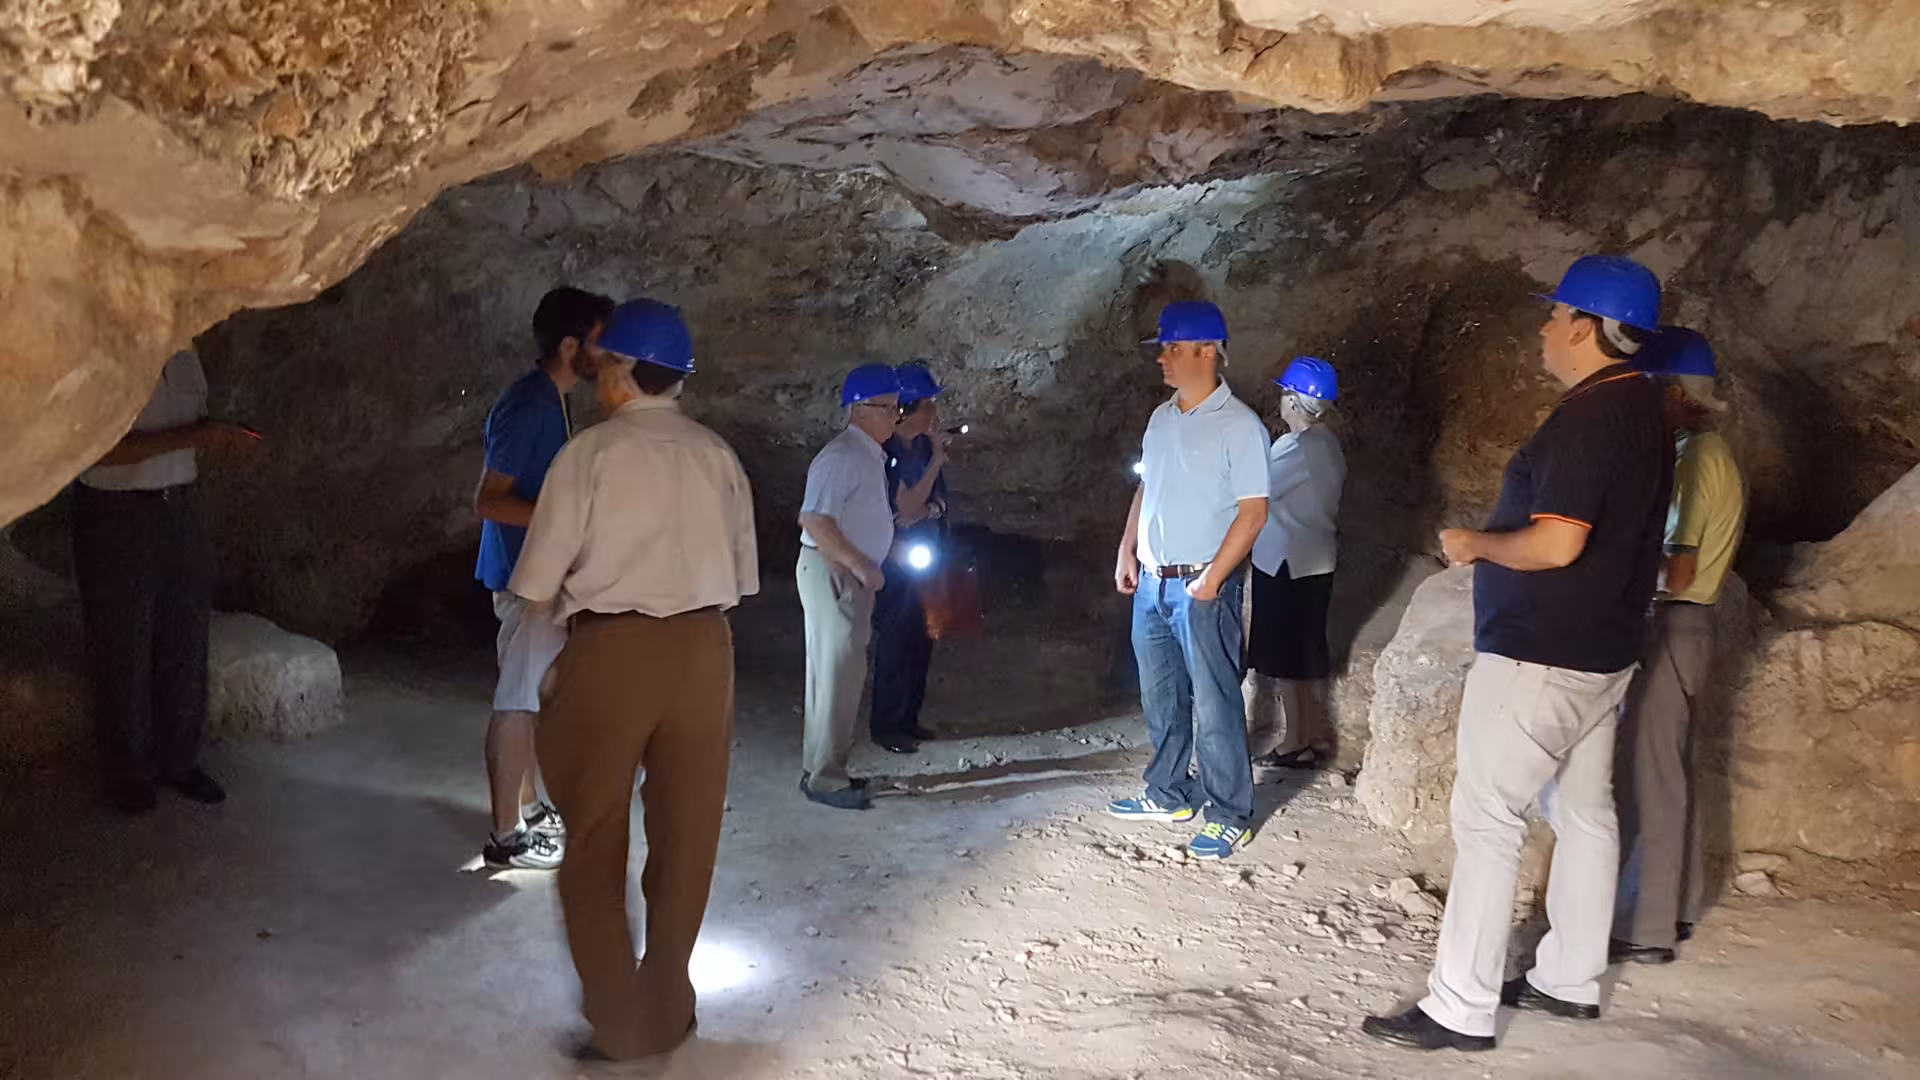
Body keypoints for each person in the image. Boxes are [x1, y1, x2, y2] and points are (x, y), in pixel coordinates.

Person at [1362, 255, 1673, 1052]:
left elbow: (1559, 542)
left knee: (1489, 816)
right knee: (1585, 811)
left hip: (1541, 653)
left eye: (1554, 315)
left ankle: (1458, 1005)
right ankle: (1569, 979)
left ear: (1584, 327)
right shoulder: (1646, 411)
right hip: (1606, 651)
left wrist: (1476, 544)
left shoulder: (1588, 417)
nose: (1543, 328)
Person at [509, 298, 758, 1062]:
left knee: (591, 836)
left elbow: (536, 584)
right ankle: (668, 1002)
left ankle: (620, 1021)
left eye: (603, 366)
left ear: (619, 371)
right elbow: (743, 577)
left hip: (613, 648)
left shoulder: (589, 455)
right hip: (705, 649)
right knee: (688, 836)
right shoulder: (717, 454)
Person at [1108, 300, 1270, 861]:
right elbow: (1144, 488)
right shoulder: (1161, 418)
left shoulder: (1240, 426)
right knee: (1161, 695)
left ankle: (1230, 812)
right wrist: (1128, 548)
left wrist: (1211, 581)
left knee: (1216, 699)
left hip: (1202, 585)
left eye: (1172, 347)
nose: (1162, 358)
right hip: (1152, 583)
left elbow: (1253, 512)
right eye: (1162, 348)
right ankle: (1169, 791)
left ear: (1208, 351)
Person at [1611, 327, 1747, 965]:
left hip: (1675, 620)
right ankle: (1680, 906)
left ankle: (1649, 926)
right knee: (1671, 768)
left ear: (1673, 391)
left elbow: (1680, 570)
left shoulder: (1693, 460)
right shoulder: (1712, 451)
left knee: (1651, 774)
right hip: (1693, 625)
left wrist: (1613, 564)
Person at [72, 348, 254, 814]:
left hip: (179, 503)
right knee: (122, 641)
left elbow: (190, 428)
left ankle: (179, 760)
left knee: (186, 633)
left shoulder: (188, 354)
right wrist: (196, 435)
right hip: (116, 510)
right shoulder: (111, 357)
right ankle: (127, 770)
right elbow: (98, 451)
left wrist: (217, 435)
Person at [472, 286, 613, 870]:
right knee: (517, 702)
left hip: (537, 574)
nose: (606, 355)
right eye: (599, 342)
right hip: (524, 581)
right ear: (569, 344)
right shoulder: (530, 406)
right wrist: (567, 518)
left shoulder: (552, 401)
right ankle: (507, 837)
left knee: (526, 696)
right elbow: (489, 499)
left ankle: (526, 810)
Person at [797, 363, 901, 810]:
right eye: (889, 408)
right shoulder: (842, 457)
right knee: (835, 673)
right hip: (834, 573)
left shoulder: (865, 455)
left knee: (839, 673)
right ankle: (825, 780)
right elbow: (815, 520)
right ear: (860, 409)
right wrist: (862, 566)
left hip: (843, 574)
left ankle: (825, 769)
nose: (896, 417)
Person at [1247, 356, 1346, 771]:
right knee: (1302, 657)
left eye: (1285, 394)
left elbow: (1255, 491)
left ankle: (1293, 742)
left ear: (1293, 400)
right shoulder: (1328, 443)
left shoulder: (1295, 448)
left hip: (1285, 564)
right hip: (1314, 562)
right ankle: (1304, 738)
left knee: (1287, 659)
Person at [869, 361, 950, 755]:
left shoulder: (919, 446)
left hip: (923, 555)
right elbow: (906, 505)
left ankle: (908, 719)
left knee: (922, 639)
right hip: (894, 558)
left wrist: (932, 510)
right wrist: (936, 464)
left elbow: (938, 502)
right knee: (895, 640)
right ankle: (886, 725)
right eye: (928, 405)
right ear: (908, 407)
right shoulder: (887, 452)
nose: (934, 412)